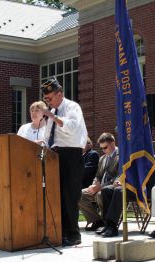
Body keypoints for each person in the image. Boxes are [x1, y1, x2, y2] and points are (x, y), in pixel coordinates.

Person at [41, 77, 87, 246]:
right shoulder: (51, 113)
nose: (48, 101)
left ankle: (74, 234)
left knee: (70, 195)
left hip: (71, 154)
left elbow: (72, 128)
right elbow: (48, 136)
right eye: (46, 99)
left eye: (50, 98)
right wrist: (43, 145)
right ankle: (60, 233)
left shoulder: (72, 107)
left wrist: (52, 116)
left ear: (60, 94)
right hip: (55, 155)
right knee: (58, 195)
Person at [79, 133, 118, 232]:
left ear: (113, 143)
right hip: (99, 187)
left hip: (112, 188)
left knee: (101, 194)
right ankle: (96, 220)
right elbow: (98, 175)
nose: (103, 150)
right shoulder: (102, 158)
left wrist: (100, 187)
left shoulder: (121, 156)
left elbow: (118, 177)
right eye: (102, 148)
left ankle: (107, 223)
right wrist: (94, 184)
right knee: (78, 195)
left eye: (105, 147)